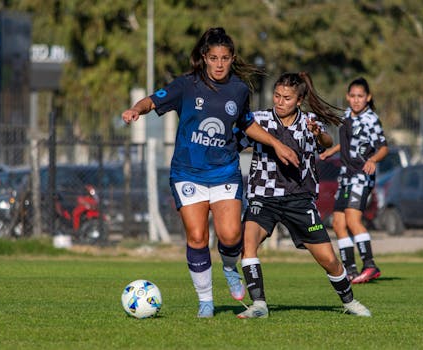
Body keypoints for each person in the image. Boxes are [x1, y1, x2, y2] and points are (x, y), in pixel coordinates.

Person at [121, 27, 299, 318]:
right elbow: (153, 100)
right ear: (204, 58)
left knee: (230, 236)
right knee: (197, 237)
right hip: (187, 172)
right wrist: (135, 110)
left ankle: (229, 267)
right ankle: (206, 301)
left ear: (232, 59)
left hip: (225, 171)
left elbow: (247, 125)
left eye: (225, 58)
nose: (219, 64)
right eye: (213, 57)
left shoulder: (239, 90)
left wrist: (277, 144)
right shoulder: (187, 85)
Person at [236, 72, 371, 318]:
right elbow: (237, 140)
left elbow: (327, 142)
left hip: (299, 199)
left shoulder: (308, 121)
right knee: (248, 245)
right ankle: (259, 305)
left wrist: (318, 133)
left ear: (298, 101)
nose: (280, 101)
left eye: (287, 98)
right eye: (277, 95)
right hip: (263, 197)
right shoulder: (259, 120)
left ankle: (350, 302)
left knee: (329, 260)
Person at [319, 77, 388, 284]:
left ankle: (370, 265)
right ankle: (349, 270)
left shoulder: (371, 119)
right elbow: (349, 143)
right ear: (348, 97)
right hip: (346, 176)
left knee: (352, 220)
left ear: (368, 98)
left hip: (361, 175)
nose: (356, 100)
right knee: (339, 224)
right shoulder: (348, 115)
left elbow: (383, 147)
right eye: (353, 96)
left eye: (360, 96)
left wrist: (373, 160)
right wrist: (331, 150)